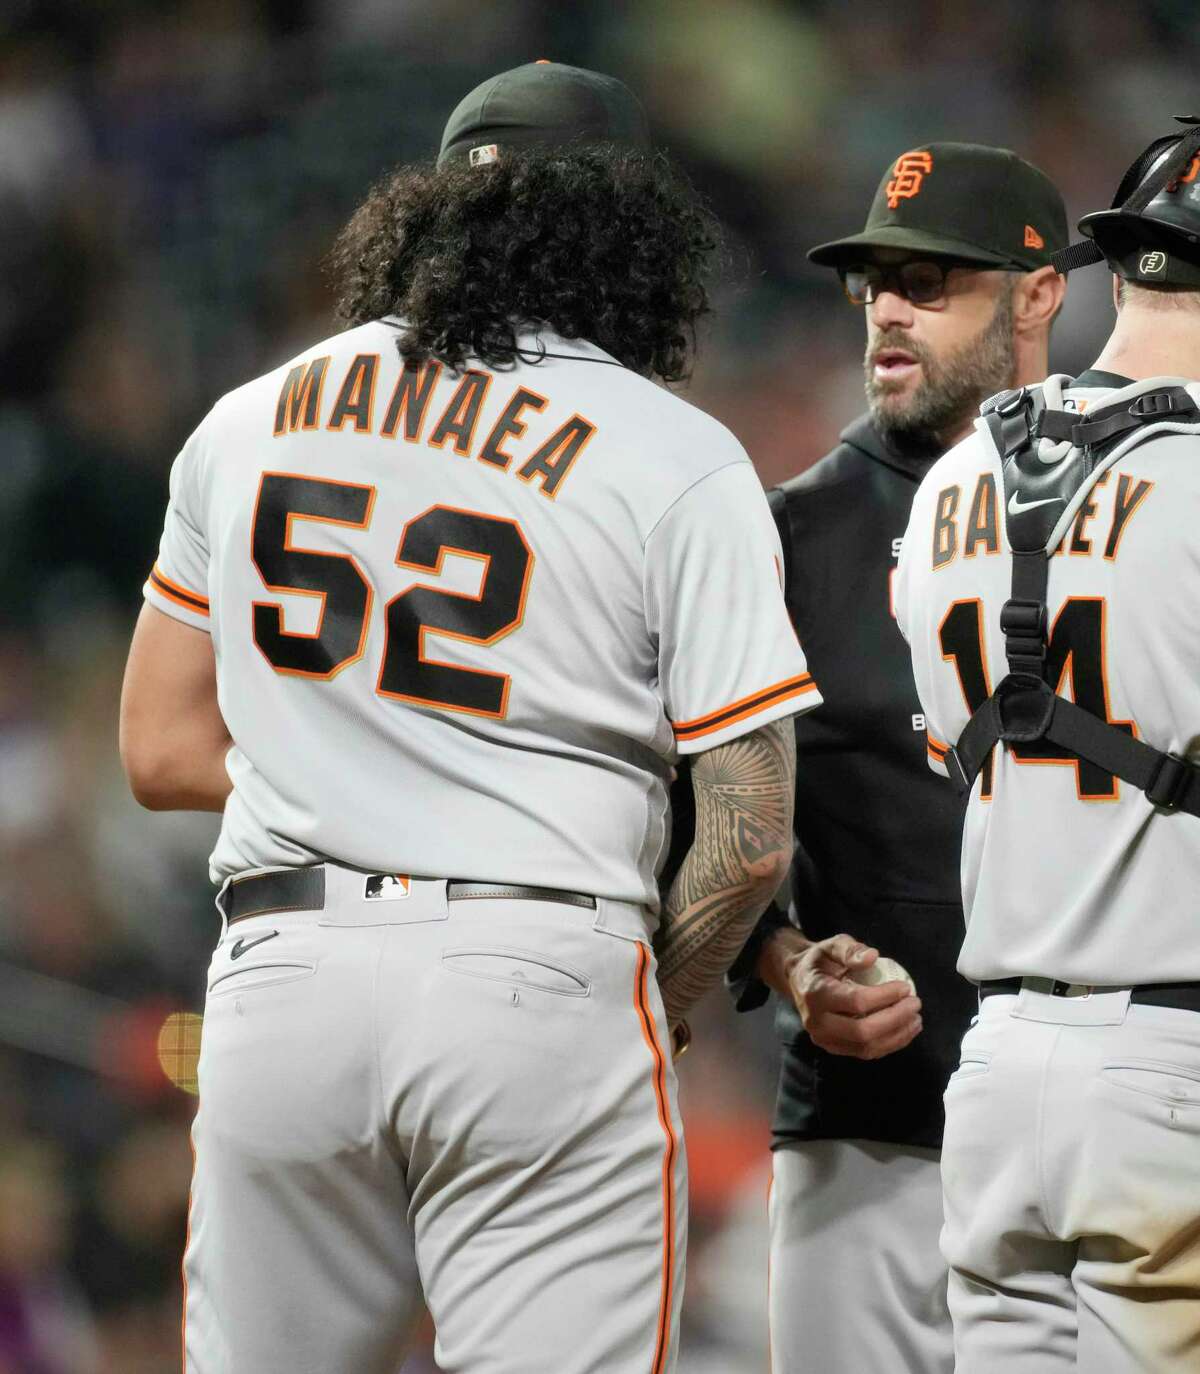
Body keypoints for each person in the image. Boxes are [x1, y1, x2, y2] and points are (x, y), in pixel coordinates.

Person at [118, 62, 820, 1374]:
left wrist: (362, 761)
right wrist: (654, 1004)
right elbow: (750, 836)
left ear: (430, 209)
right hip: (537, 966)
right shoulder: (672, 454)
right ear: (637, 229)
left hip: (283, 978)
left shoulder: (249, 416)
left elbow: (157, 748)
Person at [726, 143, 1067, 1373]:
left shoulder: (1136, 510)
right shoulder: (787, 536)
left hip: (1095, 1122)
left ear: (1038, 294)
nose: (887, 307)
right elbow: (696, 814)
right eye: (874, 280)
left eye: (932, 280)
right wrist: (785, 953)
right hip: (867, 1138)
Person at [895, 120, 1200, 1373]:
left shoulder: (954, 476)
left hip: (1000, 1071)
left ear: (1124, 269)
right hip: (1172, 1068)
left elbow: (944, 755)